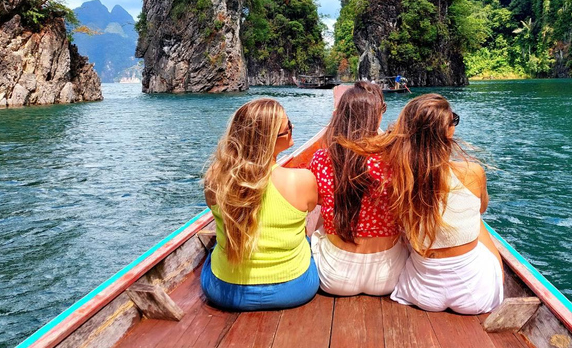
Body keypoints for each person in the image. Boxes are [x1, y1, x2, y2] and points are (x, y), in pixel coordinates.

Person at [344, 93, 503, 314]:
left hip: (421, 292)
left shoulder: (398, 177)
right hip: (474, 296)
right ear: (448, 131)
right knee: (478, 221)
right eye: (453, 120)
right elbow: (482, 207)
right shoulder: (472, 172)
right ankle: (500, 282)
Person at [201, 98, 319, 311]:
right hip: (293, 289)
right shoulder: (302, 179)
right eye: (288, 128)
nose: (292, 129)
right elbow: (310, 213)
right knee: (308, 242)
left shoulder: (214, 178)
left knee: (213, 252)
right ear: (269, 140)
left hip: (224, 291)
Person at [308, 81, 408, 296]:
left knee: (319, 229)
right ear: (376, 116)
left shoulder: (322, 158)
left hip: (334, 277)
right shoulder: (393, 158)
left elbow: (319, 201)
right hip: (388, 275)